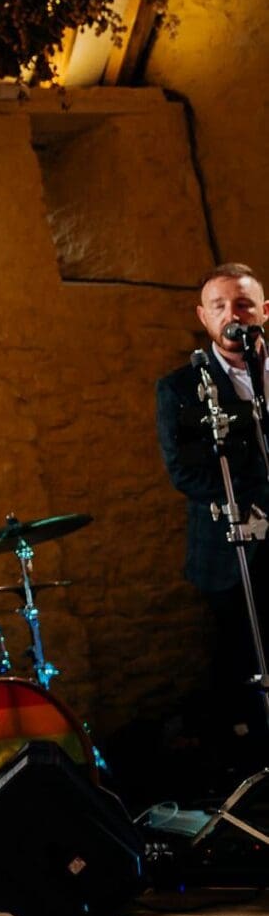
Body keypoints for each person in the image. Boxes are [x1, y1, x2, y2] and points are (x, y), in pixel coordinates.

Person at [156, 262, 269, 744]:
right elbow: (185, 472)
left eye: (242, 304)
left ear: (263, 311)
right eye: (219, 306)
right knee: (245, 659)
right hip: (232, 549)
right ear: (203, 317)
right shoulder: (181, 388)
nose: (232, 315)